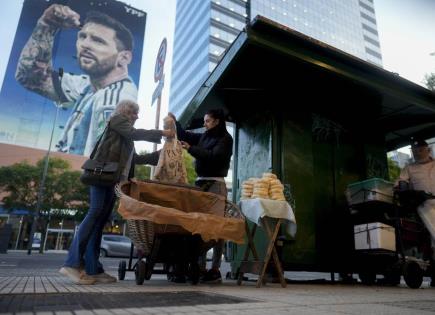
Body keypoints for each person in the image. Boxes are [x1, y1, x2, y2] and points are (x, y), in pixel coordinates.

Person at [59, 100, 174, 284]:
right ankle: (72, 263)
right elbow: (134, 133)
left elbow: (134, 159)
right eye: (135, 112)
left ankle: (93, 269)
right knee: (95, 213)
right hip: (102, 177)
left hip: (113, 181)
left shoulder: (124, 136)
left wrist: (161, 154)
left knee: (99, 221)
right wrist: (162, 133)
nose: (137, 116)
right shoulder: (117, 120)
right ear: (126, 112)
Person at [16, 4, 138, 156]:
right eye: (82, 36)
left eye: (98, 41)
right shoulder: (90, 84)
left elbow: (103, 160)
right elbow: (29, 75)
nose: (85, 45)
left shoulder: (115, 99)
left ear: (124, 57)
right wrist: (47, 24)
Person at [169, 109, 233, 283]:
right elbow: (186, 135)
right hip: (200, 184)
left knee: (217, 227)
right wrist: (175, 122)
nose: (204, 124)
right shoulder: (204, 136)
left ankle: (215, 268)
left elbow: (214, 157)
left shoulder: (226, 139)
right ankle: (200, 267)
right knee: (198, 225)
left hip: (216, 185)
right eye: (204, 121)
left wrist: (191, 149)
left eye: (207, 121)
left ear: (217, 121)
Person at [397, 138, 435, 287]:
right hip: (423, 204)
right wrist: (403, 186)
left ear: (428, 149)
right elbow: (400, 183)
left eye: (420, 149)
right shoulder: (409, 168)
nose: (418, 153)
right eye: (414, 150)